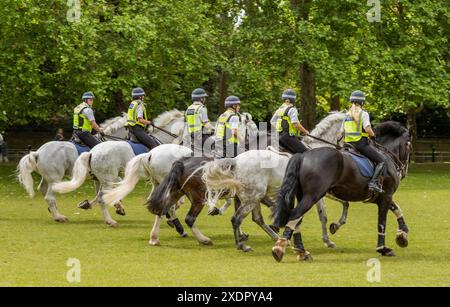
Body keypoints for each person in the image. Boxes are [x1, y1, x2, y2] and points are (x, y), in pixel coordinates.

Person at [343, 90, 385, 193]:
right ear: (362, 102)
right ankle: (373, 183)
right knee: (381, 160)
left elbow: (342, 131)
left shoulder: (347, 114)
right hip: (360, 144)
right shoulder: (363, 113)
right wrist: (373, 135)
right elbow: (367, 129)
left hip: (347, 145)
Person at [271, 89, 309, 154]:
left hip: (279, 136)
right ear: (293, 100)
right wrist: (305, 131)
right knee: (306, 153)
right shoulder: (292, 109)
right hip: (289, 137)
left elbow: (272, 121)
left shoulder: (279, 109)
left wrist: (280, 130)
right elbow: (295, 124)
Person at [185, 88, 215, 155]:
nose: (204, 99)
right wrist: (215, 129)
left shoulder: (189, 108)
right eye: (204, 98)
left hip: (190, 135)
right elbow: (206, 124)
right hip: (200, 135)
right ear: (201, 98)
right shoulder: (201, 108)